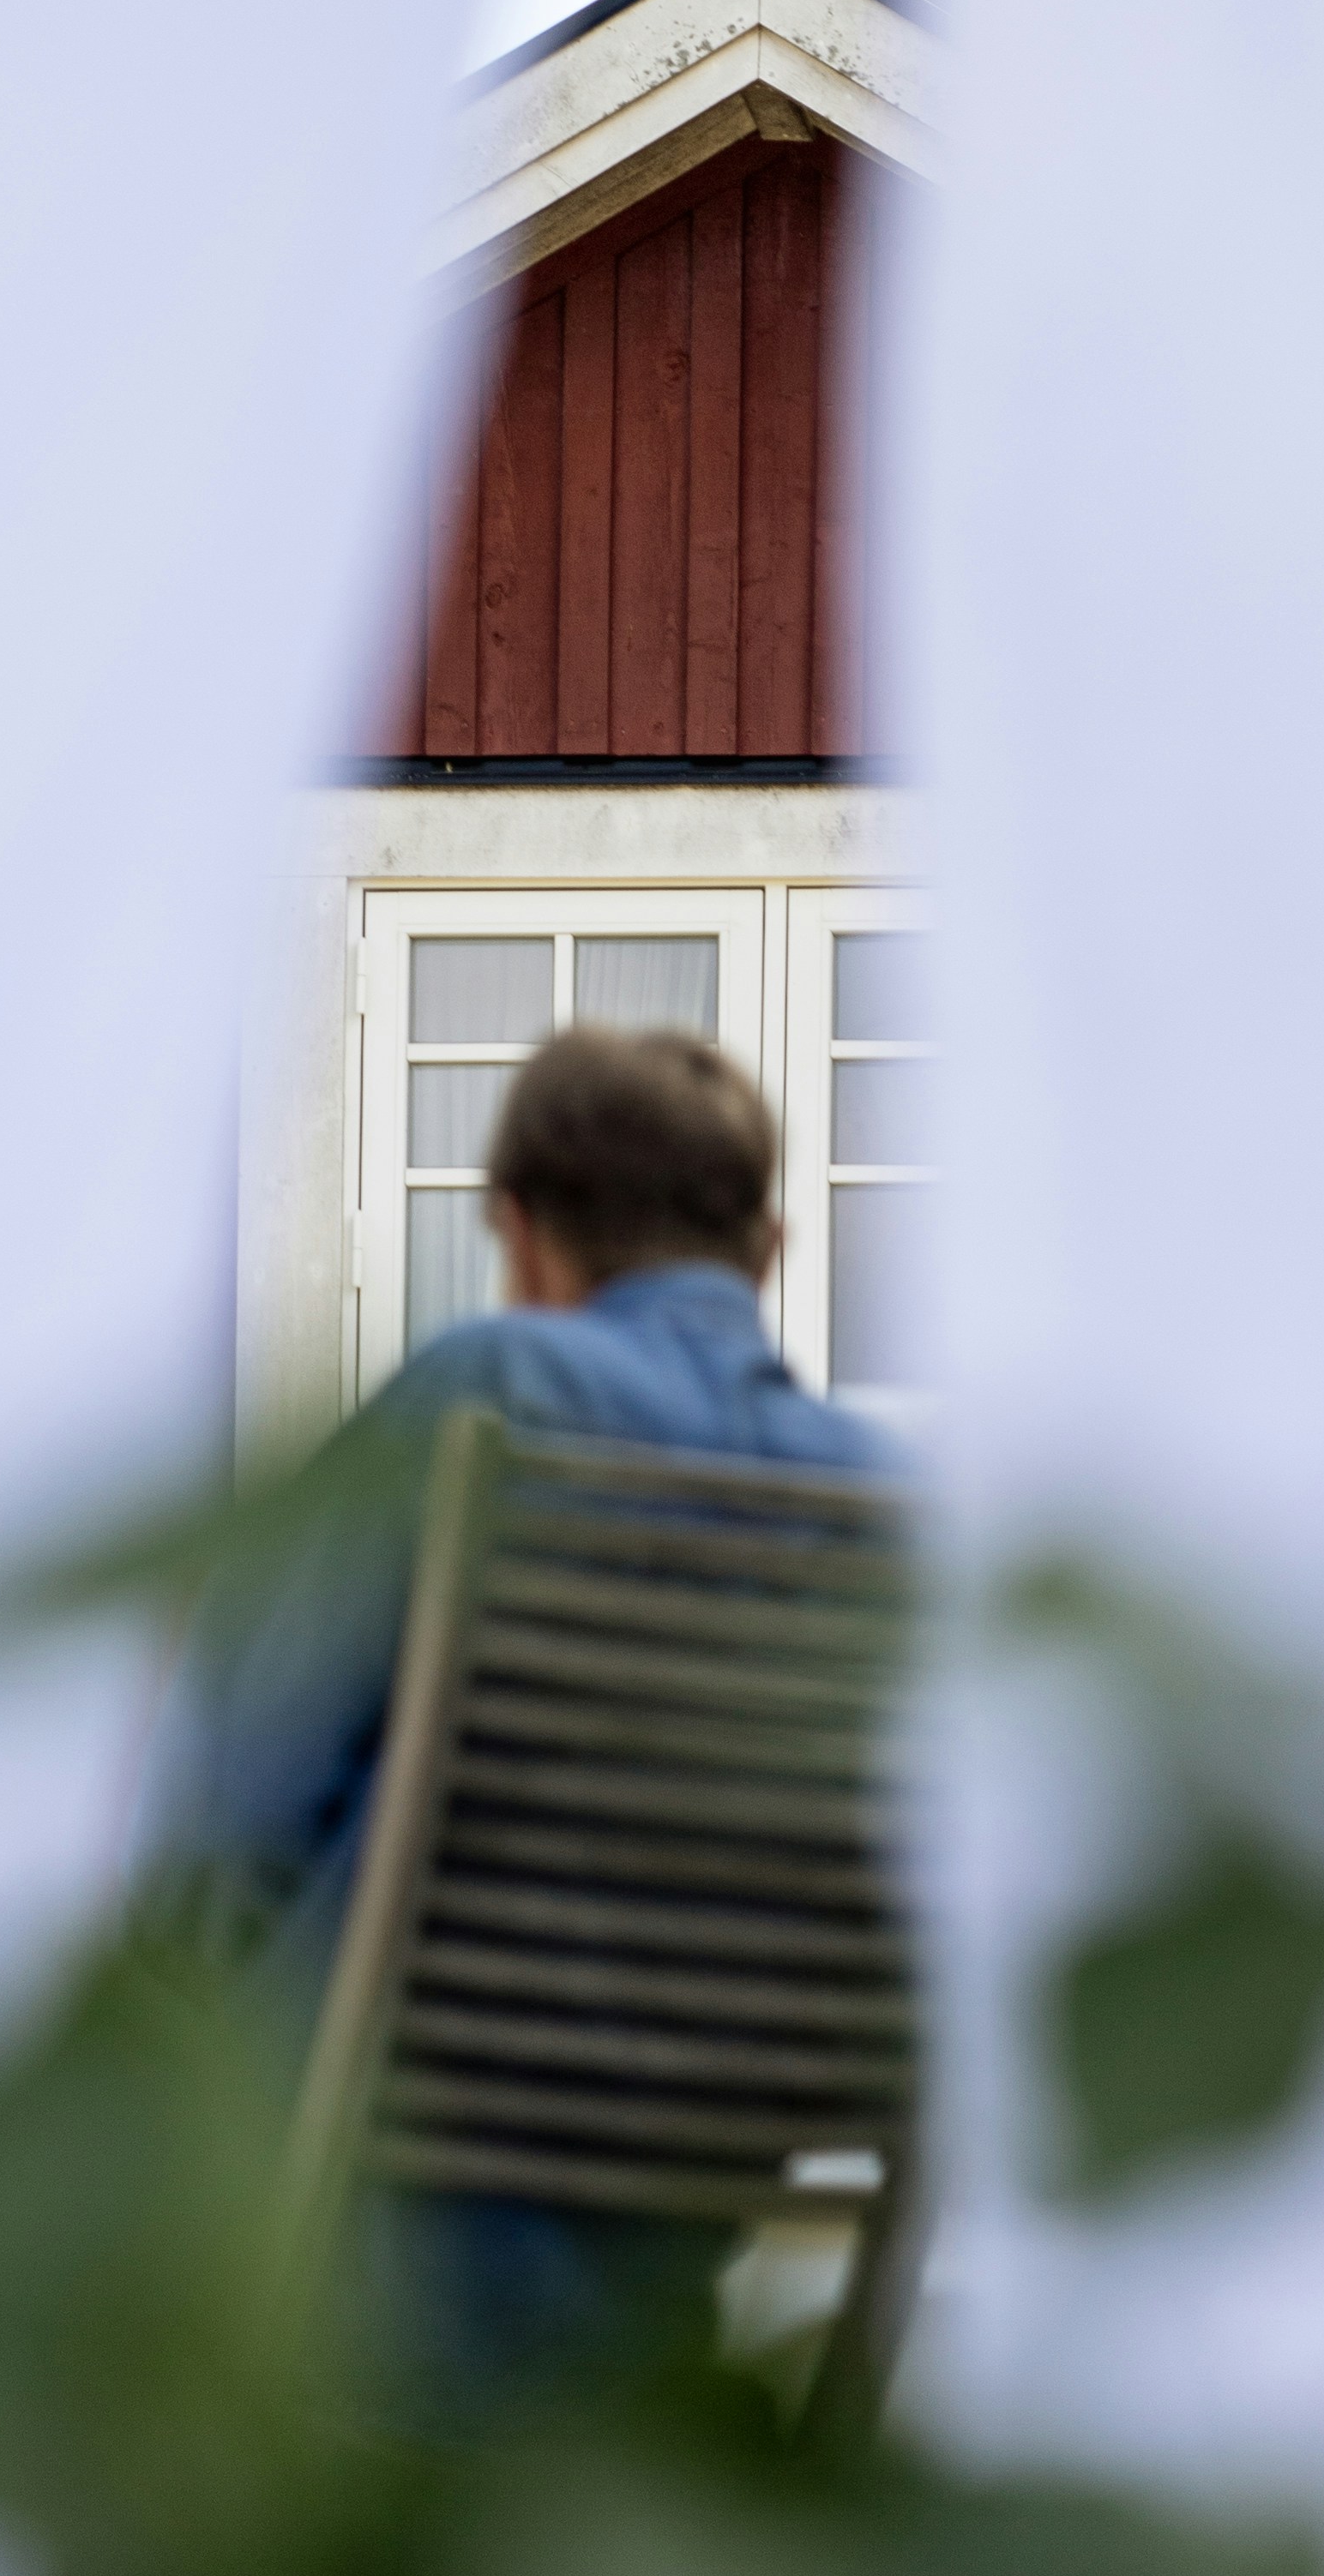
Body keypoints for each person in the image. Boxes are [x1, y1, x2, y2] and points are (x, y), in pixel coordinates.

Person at [154, 1023, 896, 2393]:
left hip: (399, 2205)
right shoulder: (892, 1503)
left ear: (521, 1237)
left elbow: (242, 1788)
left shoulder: (484, 1395)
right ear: (770, 1251)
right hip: (711, 2181)